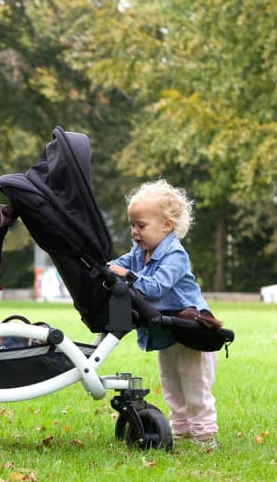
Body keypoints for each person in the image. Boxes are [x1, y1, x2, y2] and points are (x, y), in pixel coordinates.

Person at [107, 179, 220, 451]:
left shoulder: (175, 255)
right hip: (166, 330)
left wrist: (126, 275)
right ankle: (180, 432)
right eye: (132, 225)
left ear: (166, 225)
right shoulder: (140, 251)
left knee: (194, 389)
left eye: (141, 226)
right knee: (171, 385)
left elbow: (155, 288)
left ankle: (205, 437)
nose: (135, 232)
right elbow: (118, 264)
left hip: (191, 328)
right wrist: (107, 267)